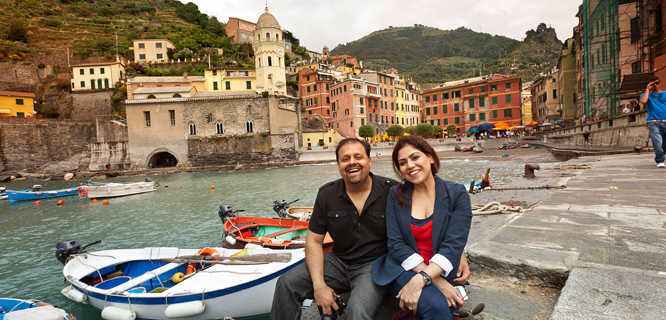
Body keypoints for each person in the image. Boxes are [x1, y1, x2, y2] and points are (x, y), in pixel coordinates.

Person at [271, 138, 471, 319]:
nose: (352, 162)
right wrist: (319, 286)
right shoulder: (326, 194)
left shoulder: (391, 191)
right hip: (337, 260)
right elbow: (313, 241)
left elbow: (429, 228)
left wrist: (458, 254)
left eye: (358, 157)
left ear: (369, 160)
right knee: (286, 284)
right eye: (345, 158)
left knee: (358, 311)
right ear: (338, 165)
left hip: (372, 265)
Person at [373, 136, 472, 320]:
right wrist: (434, 280)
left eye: (415, 157)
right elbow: (395, 244)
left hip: (441, 268)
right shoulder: (395, 195)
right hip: (405, 268)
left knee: (438, 306)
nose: (410, 165)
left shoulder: (457, 194)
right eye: (402, 163)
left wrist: (423, 279)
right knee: (436, 306)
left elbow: (453, 245)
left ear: (431, 157)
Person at [639, 76, 666, 168]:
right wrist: (647, 89)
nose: (655, 85)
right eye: (653, 84)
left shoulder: (665, 94)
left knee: (664, 144)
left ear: (660, 83)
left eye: (657, 83)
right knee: (657, 142)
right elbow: (643, 101)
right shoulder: (645, 95)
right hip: (653, 122)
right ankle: (660, 160)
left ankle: (661, 154)